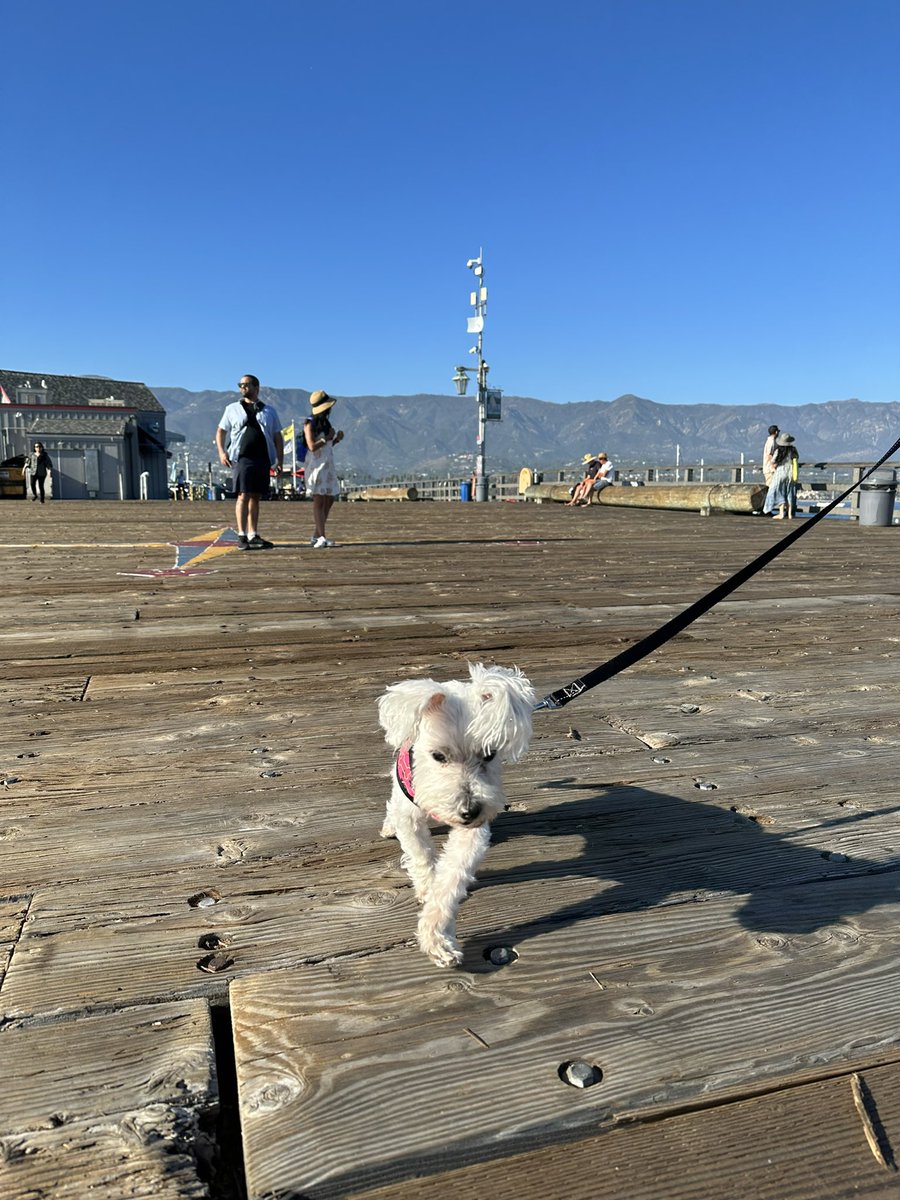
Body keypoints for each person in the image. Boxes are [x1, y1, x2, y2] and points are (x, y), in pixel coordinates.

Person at [216, 375, 284, 550]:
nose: (243, 388)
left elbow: (278, 436)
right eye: (241, 385)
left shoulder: (269, 411)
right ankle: (242, 535)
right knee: (243, 494)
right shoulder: (232, 409)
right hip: (242, 457)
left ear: (256, 387)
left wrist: (279, 460)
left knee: (256, 496)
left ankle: (253, 534)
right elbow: (221, 431)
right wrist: (222, 452)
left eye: (246, 385)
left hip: (262, 457)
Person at [303, 390, 344, 547]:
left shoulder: (326, 424)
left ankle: (317, 534)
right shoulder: (309, 423)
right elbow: (312, 446)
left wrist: (336, 440)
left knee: (330, 498)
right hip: (316, 465)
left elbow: (327, 446)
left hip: (327, 464)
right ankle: (321, 536)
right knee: (319, 500)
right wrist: (326, 438)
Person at [763, 433, 798, 519]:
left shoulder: (779, 450)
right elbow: (796, 460)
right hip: (790, 472)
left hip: (780, 472)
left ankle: (781, 513)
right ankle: (790, 514)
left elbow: (773, 461)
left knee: (780, 492)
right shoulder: (793, 450)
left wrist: (773, 468)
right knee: (790, 492)